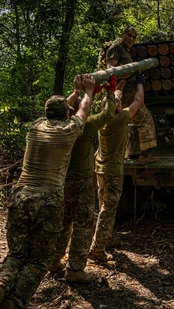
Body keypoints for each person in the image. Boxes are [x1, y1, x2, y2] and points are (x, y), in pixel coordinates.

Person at [0, 75, 96, 309]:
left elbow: (61, 108)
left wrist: (74, 91)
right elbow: (83, 110)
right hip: (47, 200)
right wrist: (89, 92)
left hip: (20, 196)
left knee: (16, 255)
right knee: (39, 262)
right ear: (66, 114)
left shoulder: (35, 127)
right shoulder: (68, 130)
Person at [50, 74, 119, 283]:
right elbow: (108, 113)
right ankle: (75, 270)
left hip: (61, 181)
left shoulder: (54, 125)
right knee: (83, 223)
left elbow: (63, 107)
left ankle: (53, 260)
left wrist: (78, 92)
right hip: (81, 182)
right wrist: (110, 90)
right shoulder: (81, 126)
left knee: (63, 221)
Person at [88, 71, 145, 261]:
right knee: (108, 210)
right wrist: (139, 82)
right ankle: (97, 249)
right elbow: (138, 101)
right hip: (113, 172)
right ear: (119, 107)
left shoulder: (103, 120)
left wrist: (120, 81)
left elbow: (114, 101)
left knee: (103, 205)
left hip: (100, 170)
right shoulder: (121, 120)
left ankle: (106, 238)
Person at [106, 26, 158, 164]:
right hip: (124, 92)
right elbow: (110, 70)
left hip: (127, 91)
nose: (131, 39)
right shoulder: (116, 48)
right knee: (145, 119)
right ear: (122, 34)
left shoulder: (125, 52)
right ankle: (145, 157)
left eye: (134, 37)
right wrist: (125, 76)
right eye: (129, 35)